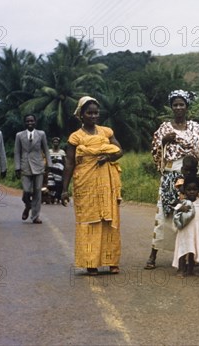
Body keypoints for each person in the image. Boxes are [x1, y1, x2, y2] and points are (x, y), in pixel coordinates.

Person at [62, 96, 123, 275]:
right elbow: (69, 163)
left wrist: (109, 157)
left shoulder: (106, 132)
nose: (93, 116)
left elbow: (120, 151)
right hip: (85, 184)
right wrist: (64, 189)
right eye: (89, 113)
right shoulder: (75, 137)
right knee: (90, 221)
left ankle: (112, 261)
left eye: (96, 112)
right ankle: (91, 263)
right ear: (81, 115)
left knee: (109, 220)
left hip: (107, 182)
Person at [144, 89, 199, 270]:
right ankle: (153, 254)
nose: (179, 107)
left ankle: (195, 258)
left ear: (187, 107)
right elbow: (155, 152)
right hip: (171, 175)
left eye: (182, 104)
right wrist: (164, 142)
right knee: (165, 215)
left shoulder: (195, 127)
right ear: (171, 107)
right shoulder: (164, 128)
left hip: (192, 177)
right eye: (175, 104)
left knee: (193, 217)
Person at [172, 176, 199, 277]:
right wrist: (181, 207)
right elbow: (174, 207)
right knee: (183, 249)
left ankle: (191, 269)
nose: (192, 192)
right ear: (185, 190)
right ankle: (181, 269)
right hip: (185, 231)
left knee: (194, 250)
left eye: (194, 189)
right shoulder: (183, 202)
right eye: (189, 190)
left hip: (197, 232)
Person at [14, 114, 52, 224]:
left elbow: (46, 149)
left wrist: (49, 164)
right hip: (25, 165)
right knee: (26, 190)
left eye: (32, 121)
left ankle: (35, 216)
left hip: (38, 166)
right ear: (24, 123)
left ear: (35, 122)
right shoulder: (19, 135)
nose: (30, 123)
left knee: (37, 191)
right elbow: (17, 152)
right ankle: (28, 205)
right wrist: (17, 167)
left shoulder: (41, 134)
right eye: (27, 121)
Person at [48, 137, 67, 205]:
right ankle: (52, 198)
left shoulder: (62, 152)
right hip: (51, 171)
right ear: (52, 143)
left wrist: (65, 170)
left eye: (57, 142)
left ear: (59, 143)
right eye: (54, 142)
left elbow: (65, 161)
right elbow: (47, 160)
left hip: (59, 172)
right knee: (51, 185)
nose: (55, 143)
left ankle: (57, 198)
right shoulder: (49, 151)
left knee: (59, 185)